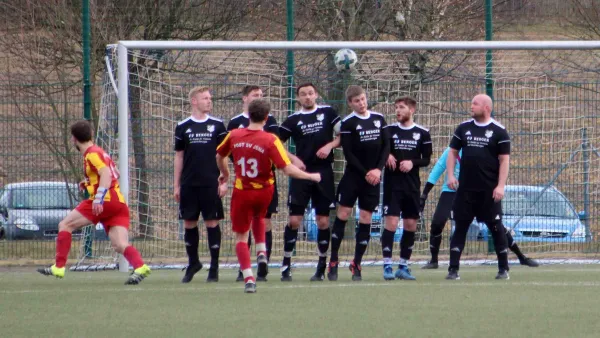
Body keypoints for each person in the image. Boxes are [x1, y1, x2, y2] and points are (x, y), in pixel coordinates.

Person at [216, 99, 321, 293]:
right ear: (266, 118)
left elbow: (219, 155)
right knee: (260, 217)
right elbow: (288, 169)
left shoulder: (234, 135)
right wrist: (311, 176)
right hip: (265, 191)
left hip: (243, 191)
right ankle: (262, 252)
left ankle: (248, 278)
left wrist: (225, 173)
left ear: (248, 115)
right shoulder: (271, 139)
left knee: (241, 236)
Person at [38, 120, 151, 285]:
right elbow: (115, 173)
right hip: (118, 203)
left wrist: (98, 197)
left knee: (65, 225)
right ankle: (140, 266)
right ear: (90, 135)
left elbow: (106, 173)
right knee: (120, 244)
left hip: (104, 201)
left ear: (74, 139)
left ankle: (59, 266)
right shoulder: (100, 152)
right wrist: (89, 183)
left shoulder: (92, 153)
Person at [420, 147, 539, 269]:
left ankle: (521, 257)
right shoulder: (452, 150)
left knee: (496, 225)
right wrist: (424, 195)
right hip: (451, 192)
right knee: (437, 222)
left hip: (474, 193)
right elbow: (437, 169)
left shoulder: (482, 151)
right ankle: (434, 260)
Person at [278, 83, 341, 282]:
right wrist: (292, 159)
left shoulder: (328, 113)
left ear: (316, 95)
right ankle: (286, 265)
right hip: (301, 173)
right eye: (303, 94)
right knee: (294, 221)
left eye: (311, 93)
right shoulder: (293, 120)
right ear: (298, 98)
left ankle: (321, 266)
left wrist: (330, 146)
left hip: (323, 173)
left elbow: (342, 136)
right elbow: (275, 142)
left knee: (322, 221)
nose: (308, 97)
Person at [446, 94, 511, 280]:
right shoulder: (464, 128)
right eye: (471, 102)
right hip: (466, 190)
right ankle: (453, 270)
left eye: (475, 103)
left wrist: (500, 186)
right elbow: (452, 153)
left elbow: (504, 160)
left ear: (486, 108)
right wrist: (450, 175)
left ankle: (503, 269)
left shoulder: (499, 131)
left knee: (496, 227)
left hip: (489, 191)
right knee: (460, 227)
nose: (471, 105)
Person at [328, 85, 390, 282]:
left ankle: (356, 263)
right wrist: (366, 172)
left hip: (373, 177)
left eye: (363, 99)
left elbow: (386, 146)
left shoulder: (379, 119)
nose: (361, 103)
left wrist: (377, 170)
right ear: (350, 103)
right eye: (357, 101)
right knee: (343, 214)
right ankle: (334, 260)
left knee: (365, 217)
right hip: (354, 177)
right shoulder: (348, 123)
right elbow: (348, 153)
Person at [174, 86, 227, 283]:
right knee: (189, 222)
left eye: (210, 98)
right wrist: (176, 185)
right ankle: (193, 262)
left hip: (211, 183)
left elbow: (224, 155)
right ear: (194, 101)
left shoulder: (218, 125)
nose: (209, 101)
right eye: (205, 98)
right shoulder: (183, 126)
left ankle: (214, 267)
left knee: (212, 222)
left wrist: (224, 180)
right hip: (189, 184)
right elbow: (179, 156)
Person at [227, 85, 279, 282]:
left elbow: (276, 145)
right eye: (255, 95)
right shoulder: (235, 123)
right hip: (246, 181)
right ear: (244, 98)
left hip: (266, 180)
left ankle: (262, 267)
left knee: (265, 222)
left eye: (261, 95)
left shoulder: (270, 119)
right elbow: (228, 152)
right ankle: (245, 266)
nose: (259, 97)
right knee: (247, 224)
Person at [381, 97, 432, 281]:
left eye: (401, 107)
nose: (398, 111)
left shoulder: (423, 133)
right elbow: (380, 150)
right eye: (396, 108)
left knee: (411, 225)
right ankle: (387, 265)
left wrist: (413, 162)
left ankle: (403, 266)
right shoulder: (389, 131)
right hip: (392, 186)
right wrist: (387, 156)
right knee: (392, 224)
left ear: (412, 110)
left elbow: (426, 159)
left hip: (411, 187)